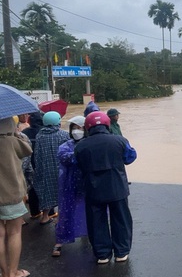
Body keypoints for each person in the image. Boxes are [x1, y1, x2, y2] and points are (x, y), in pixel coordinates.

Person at [74, 111, 137, 264]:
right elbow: (130, 157)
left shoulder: (81, 146)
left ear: (88, 127)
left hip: (93, 189)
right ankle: (121, 252)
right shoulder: (119, 140)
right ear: (107, 124)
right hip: (117, 188)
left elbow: (78, 165)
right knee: (121, 219)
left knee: (96, 222)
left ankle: (102, 255)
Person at [0, 117, 32, 277]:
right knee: (14, 232)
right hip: (11, 194)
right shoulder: (12, 141)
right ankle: (13, 273)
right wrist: (16, 133)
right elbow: (28, 150)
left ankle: (4, 273)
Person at [52, 116, 88, 257]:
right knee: (67, 211)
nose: (76, 131)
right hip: (69, 185)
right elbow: (64, 157)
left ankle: (91, 235)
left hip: (86, 183)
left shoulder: (90, 143)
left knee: (89, 210)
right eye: (74, 128)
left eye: (79, 128)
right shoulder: (65, 145)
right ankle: (59, 242)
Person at [33, 111, 70, 225]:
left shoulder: (39, 136)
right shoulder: (63, 135)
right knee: (63, 194)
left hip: (45, 170)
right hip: (61, 170)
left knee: (47, 194)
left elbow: (37, 154)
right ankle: (63, 219)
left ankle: (44, 217)